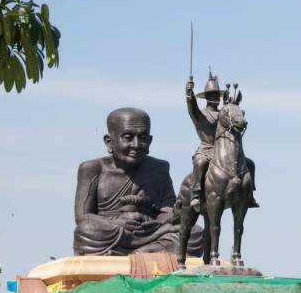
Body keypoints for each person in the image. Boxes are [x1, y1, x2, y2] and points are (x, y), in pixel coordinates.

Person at [72, 107, 203, 256]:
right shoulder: (92, 169)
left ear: (150, 140)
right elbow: (82, 217)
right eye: (128, 137)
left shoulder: (159, 168)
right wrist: (116, 223)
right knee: (86, 230)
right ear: (109, 141)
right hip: (114, 232)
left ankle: (139, 252)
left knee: (195, 232)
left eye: (142, 138)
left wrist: (160, 221)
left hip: (151, 232)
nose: (136, 144)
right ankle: (145, 252)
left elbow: (169, 211)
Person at [186, 72, 259, 212]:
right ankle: (196, 194)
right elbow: (191, 108)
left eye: (216, 95)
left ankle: (249, 195)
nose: (215, 97)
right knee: (200, 163)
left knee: (249, 164)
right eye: (211, 95)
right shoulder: (200, 115)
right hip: (207, 149)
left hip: (224, 151)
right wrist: (189, 93)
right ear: (206, 97)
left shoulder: (224, 113)